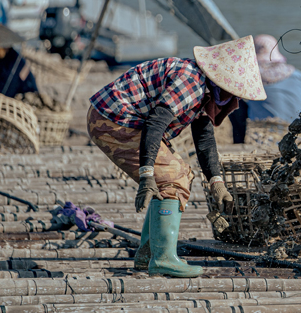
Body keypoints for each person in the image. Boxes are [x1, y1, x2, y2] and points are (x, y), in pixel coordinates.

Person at [87, 35, 266, 278]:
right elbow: (157, 121)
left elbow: (204, 138)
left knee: (180, 174)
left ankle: (147, 254)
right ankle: (162, 259)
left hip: (122, 119)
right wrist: (147, 174)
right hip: (113, 120)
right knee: (173, 178)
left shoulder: (203, 88)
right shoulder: (191, 82)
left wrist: (217, 183)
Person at [228, 34, 301, 142]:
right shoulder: (298, 75)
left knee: (234, 100)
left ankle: (239, 142)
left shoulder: (251, 77)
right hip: (300, 135)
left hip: (265, 136)